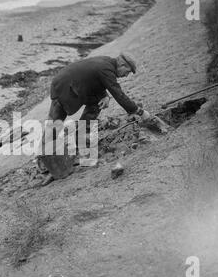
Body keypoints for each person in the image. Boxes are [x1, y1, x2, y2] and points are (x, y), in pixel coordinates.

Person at [39, 53, 152, 185]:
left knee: (96, 104)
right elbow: (118, 93)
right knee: (53, 125)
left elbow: (94, 79)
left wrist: (104, 96)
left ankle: (79, 139)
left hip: (71, 85)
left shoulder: (106, 62)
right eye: (127, 72)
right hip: (65, 88)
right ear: (122, 65)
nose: (126, 75)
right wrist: (138, 111)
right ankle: (45, 166)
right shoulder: (107, 68)